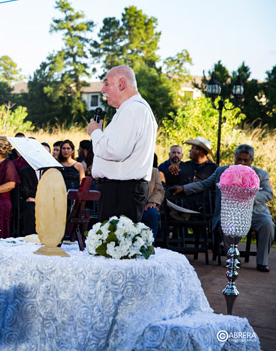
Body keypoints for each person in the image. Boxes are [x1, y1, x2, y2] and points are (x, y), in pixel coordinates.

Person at [171, 144, 274, 272]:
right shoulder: (222, 171)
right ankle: (233, 259)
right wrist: (184, 188)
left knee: (267, 223)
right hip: (229, 213)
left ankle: (262, 262)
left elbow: (268, 193)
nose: (241, 163)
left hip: (255, 212)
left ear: (252, 160)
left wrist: (248, 198)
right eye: (239, 159)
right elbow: (204, 184)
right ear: (234, 158)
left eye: (245, 160)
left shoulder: (261, 174)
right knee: (225, 224)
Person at [86, 65, 157, 222]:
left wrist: (95, 132)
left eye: (106, 84)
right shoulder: (134, 109)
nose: (102, 91)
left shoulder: (132, 109)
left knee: (116, 237)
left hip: (120, 192)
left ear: (121, 84)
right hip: (120, 191)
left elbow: (116, 151)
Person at [141, 154, 165, 241]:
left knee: (152, 213)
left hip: (148, 204)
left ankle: (150, 244)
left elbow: (159, 190)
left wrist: (152, 202)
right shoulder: (129, 170)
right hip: (132, 205)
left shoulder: (154, 172)